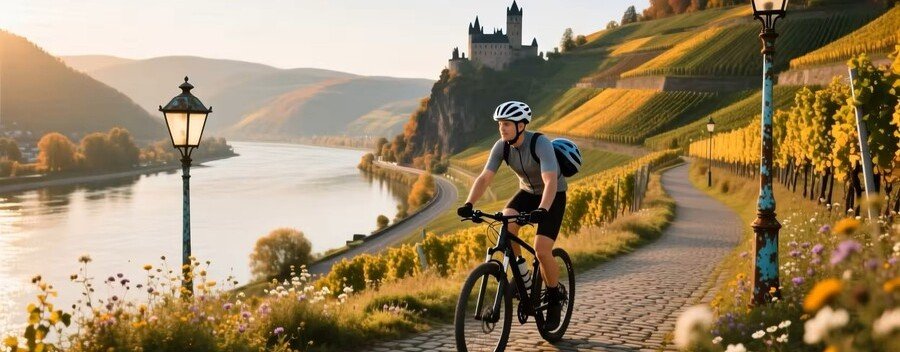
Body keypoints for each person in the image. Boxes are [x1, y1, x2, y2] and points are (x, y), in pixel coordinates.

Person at [457, 100, 568, 330]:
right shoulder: (501, 146)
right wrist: (469, 203)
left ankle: (554, 297)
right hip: (527, 192)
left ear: (521, 126)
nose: (502, 128)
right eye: (500, 124)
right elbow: (484, 178)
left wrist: (542, 210)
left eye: (507, 124)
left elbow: (549, 181)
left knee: (541, 250)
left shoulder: (540, 143)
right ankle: (522, 276)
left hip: (552, 195)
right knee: (507, 221)